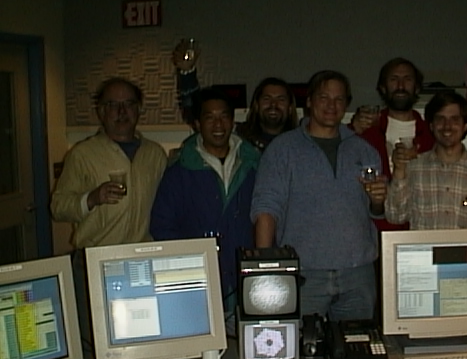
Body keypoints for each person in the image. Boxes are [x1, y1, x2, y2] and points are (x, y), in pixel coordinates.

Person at [250, 70, 386, 321]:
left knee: (357, 343)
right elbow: (267, 207)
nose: (331, 105)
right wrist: (264, 267)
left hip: (358, 275)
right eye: (324, 97)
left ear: (346, 104)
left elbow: (375, 211)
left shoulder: (364, 150)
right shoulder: (282, 149)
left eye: (339, 99)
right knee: (301, 344)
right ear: (310, 101)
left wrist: (378, 202)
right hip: (304, 274)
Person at [149, 87, 261, 318]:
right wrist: (191, 260)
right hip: (197, 282)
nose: (218, 124)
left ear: (233, 121)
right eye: (210, 117)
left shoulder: (253, 164)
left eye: (224, 116)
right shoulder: (180, 171)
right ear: (198, 124)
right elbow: (161, 226)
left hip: (247, 279)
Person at [51, 77, 167, 249]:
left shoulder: (155, 154)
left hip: (142, 254)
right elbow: (58, 207)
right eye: (113, 105)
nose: (122, 111)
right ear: (101, 111)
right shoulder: (82, 154)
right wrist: (92, 198)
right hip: (96, 255)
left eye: (129, 104)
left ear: (138, 109)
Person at [386, 92, 467, 242]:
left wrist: (455, 244)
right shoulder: (413, 167)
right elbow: (395, 216)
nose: (447, 126)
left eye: (454, 119)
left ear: (465, 126)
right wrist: (399, 171)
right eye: (440, 119)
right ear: (431, 125)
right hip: (424, 254)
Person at [351, 57, 436, 231]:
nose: (400, 86)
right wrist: (352, 128)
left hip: (421, 231)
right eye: (394, 79)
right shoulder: (365, 132)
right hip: (373, 233)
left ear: (417, 87)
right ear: (382, 88)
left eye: (407, 79)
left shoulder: (433, 135)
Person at [172, 39, 298, 151]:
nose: (273, 104)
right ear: (256, 105)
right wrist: (187, 73)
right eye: (267, 99)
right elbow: (196, 112)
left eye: (281, 99)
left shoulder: (300, 141)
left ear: (290, 107)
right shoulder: (238, 135)